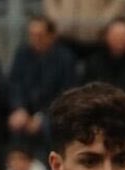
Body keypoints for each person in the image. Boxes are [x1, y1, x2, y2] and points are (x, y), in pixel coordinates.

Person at [6, 14, 78, 152]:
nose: (35, 39)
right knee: (14, 122)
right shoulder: (22, 54)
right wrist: (19, 107)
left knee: (49, 126)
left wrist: (41, 116)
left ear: (52, 36)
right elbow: (14, 84)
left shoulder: (65, 58)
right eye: (32, 35)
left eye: (40, 35)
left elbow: (66, 93)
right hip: (26, 109)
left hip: (52, 111)